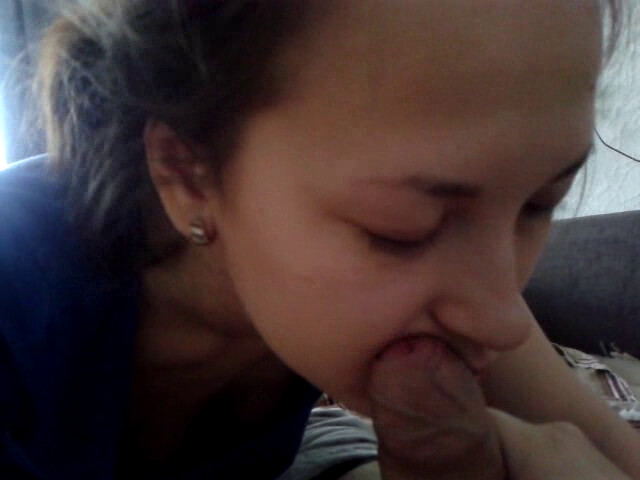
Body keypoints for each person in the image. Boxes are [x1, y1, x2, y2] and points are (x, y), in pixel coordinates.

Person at [1, 0, 639, 479]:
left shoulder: (449, 297)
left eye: (539, 204)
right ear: (187, 174)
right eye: (401, 228)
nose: (502, 318)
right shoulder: (21, 301)